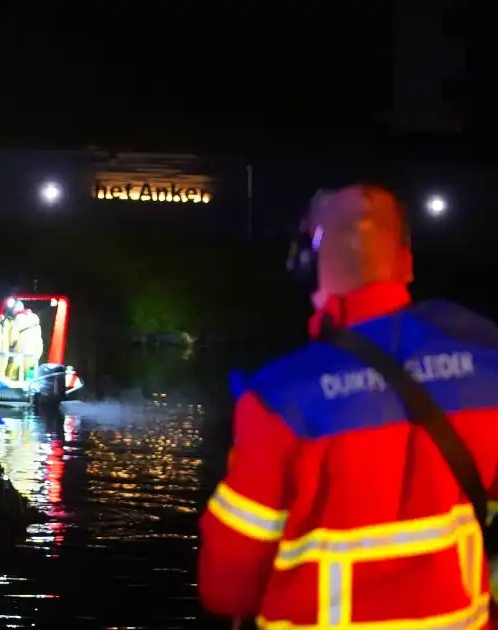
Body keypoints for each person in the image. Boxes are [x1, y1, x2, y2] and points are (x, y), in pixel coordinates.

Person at [197, 184, 498, 628]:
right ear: (407, 263)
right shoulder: (487, 365)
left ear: (307, 264)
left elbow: (227, 587)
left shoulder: (279, 398)